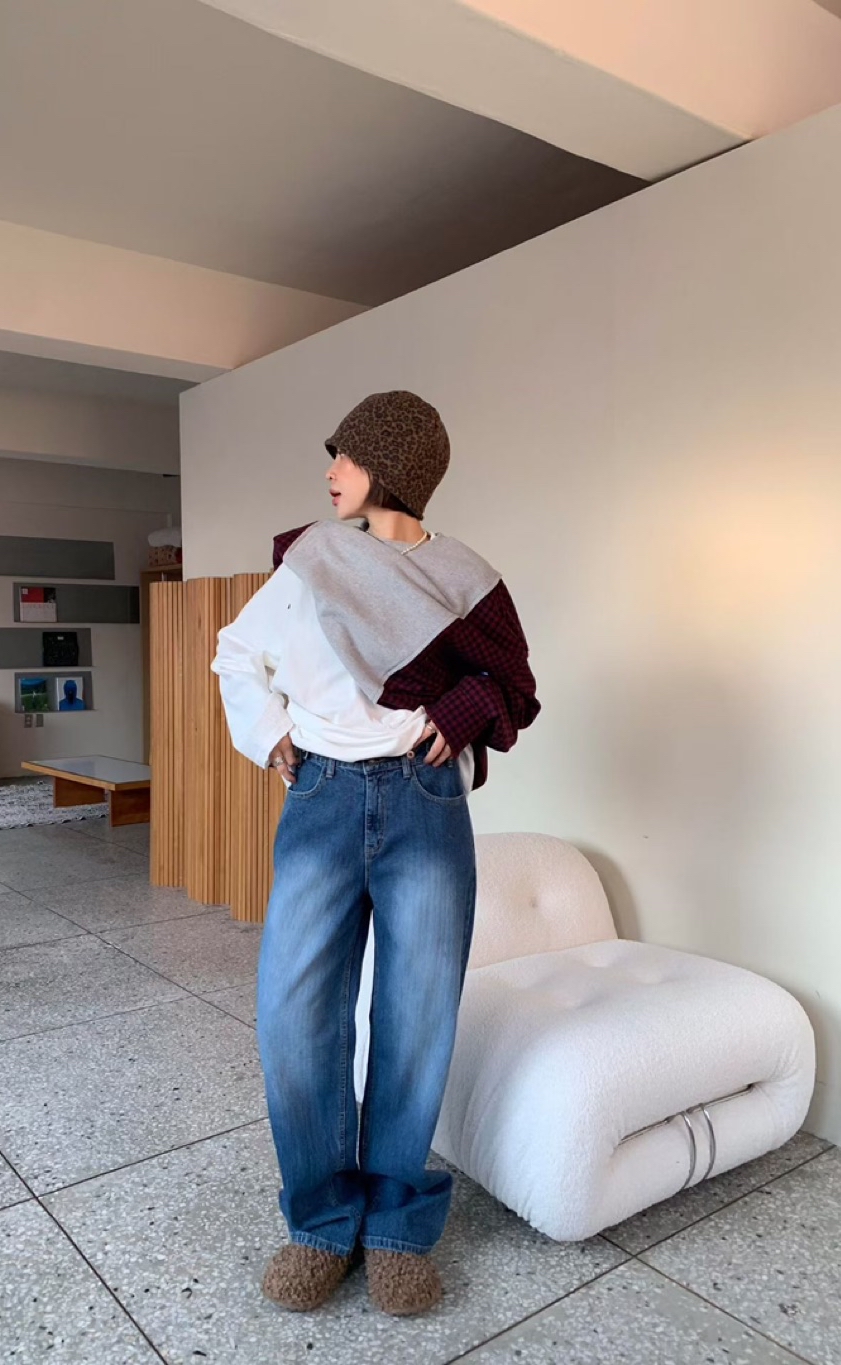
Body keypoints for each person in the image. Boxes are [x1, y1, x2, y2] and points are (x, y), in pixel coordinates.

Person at [212, 391, 540, 1316]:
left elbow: (511, 682)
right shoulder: (313, 563)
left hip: (424, 803)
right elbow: (236, 653)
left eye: (347, 457)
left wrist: (462, 710)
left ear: (390, 469)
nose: (331, 473)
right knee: (294, 1015)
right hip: (321, 797)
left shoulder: (467, 579)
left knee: (416, 1017)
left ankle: (396, 1226)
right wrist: (269, 734)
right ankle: (321, 1224)